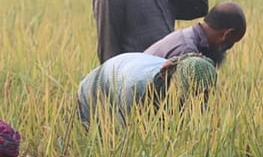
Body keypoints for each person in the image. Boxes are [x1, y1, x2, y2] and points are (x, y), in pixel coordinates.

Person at [77, 52, 218, 125]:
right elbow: (131, 138)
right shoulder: (136, 88)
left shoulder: (197, 84)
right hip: (98, 89)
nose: (193, 101)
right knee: (106, 143)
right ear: (171, 79)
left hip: (128, 67)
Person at [144, 1, 247, 66]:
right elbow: (186, 98)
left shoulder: (188, 36)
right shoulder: (188, 53)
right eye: (231, 42)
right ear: (227, 34)